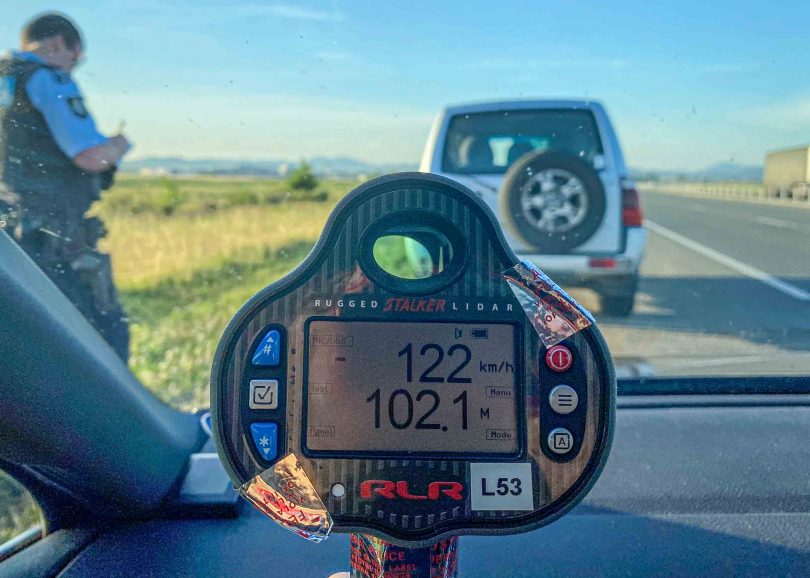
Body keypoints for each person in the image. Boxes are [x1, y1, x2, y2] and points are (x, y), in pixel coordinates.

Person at [0, 13, 131, 361]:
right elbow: (89, 156)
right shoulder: (48, 80)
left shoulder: (4, 78)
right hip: (54, 231)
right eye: (77, 58)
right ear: (59, 44)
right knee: (103, 335)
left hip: (10, 231)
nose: (74, 67)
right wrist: (118, 145)